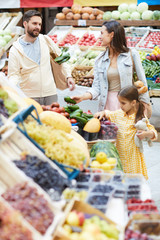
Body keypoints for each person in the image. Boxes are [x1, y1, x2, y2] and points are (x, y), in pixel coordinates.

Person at [71, 20, 151, 116]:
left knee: (126, 130)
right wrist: (82, 97)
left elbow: (142, 83)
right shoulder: (100, 59)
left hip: (127, 105)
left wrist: (145, 105)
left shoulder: (131, 54)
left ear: (111, 34)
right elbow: (97, 87)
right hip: (107, 104)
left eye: (102, 33)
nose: (99, 37)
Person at [8, 10, 75, 105]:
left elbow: (61, 59)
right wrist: (10, 89)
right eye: (34, 23)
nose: (38, 27)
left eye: (39, 24)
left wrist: (68, 76)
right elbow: (13, 74)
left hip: (50, 93)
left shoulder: (46, 40)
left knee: (52, 119)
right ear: (25, 24)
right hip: (29, 96)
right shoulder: (15, 49)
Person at [94, 86, 157, 179]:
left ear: (133, 103)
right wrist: (101, 113)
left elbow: (153, 132)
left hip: (133, 158)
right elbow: (108, 113)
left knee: (132, 182)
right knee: (121, 181)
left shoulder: (140, 117)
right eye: (119, 102)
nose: (120, 105)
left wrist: (145, 134)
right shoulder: (118, 114)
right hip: (120, 157)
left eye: (123, 103)